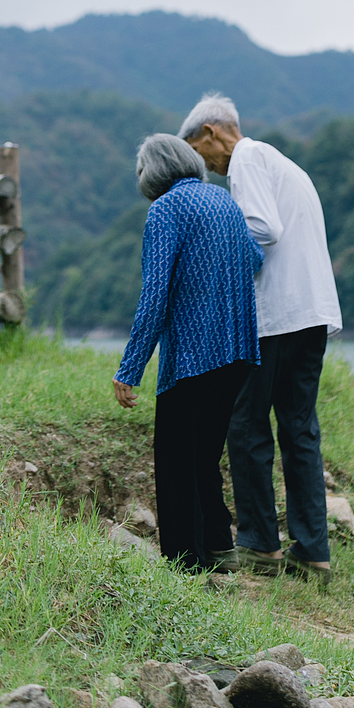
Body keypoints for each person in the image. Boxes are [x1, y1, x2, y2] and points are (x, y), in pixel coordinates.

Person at [178, 93, 342, 582]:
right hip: (312, 312)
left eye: (198, 153)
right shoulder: (282, 163)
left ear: (212, 132)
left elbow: (262, 229)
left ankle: (259, 544)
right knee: (300, 429)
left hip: (273, 315)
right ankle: (313, 553)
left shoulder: (247, 158)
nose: (203, 167)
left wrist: (214, 274)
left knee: (245, 422)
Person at [112, 132, 263, 571]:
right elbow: (255, 258)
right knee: (203, 455)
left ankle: (184, 565)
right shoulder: (224, 202)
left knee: (175, 460)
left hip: (194, 354)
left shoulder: (165, 209)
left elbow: (155, 294)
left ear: (154, 171)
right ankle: (220, 548)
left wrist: (130, 368)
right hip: (239, 351)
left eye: (141, 170)